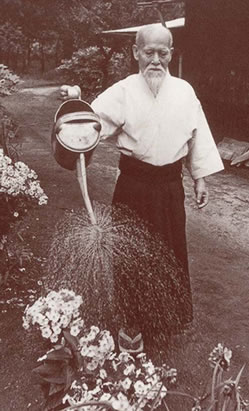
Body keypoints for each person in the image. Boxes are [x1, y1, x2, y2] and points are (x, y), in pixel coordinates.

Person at [62, 23, 224, 350]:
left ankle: (167, 316)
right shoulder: (122, 91)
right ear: (135, 52)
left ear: (171, 53)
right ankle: (131, 323)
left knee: (170, 252)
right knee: (130, 256)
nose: (155, 60)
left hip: (169, 188)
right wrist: (71, 107)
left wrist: (199, 177)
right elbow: (89, 123)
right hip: (133, 186)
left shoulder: (184, 91)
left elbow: (197, 136)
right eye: (148, 52)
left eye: (162, 53)